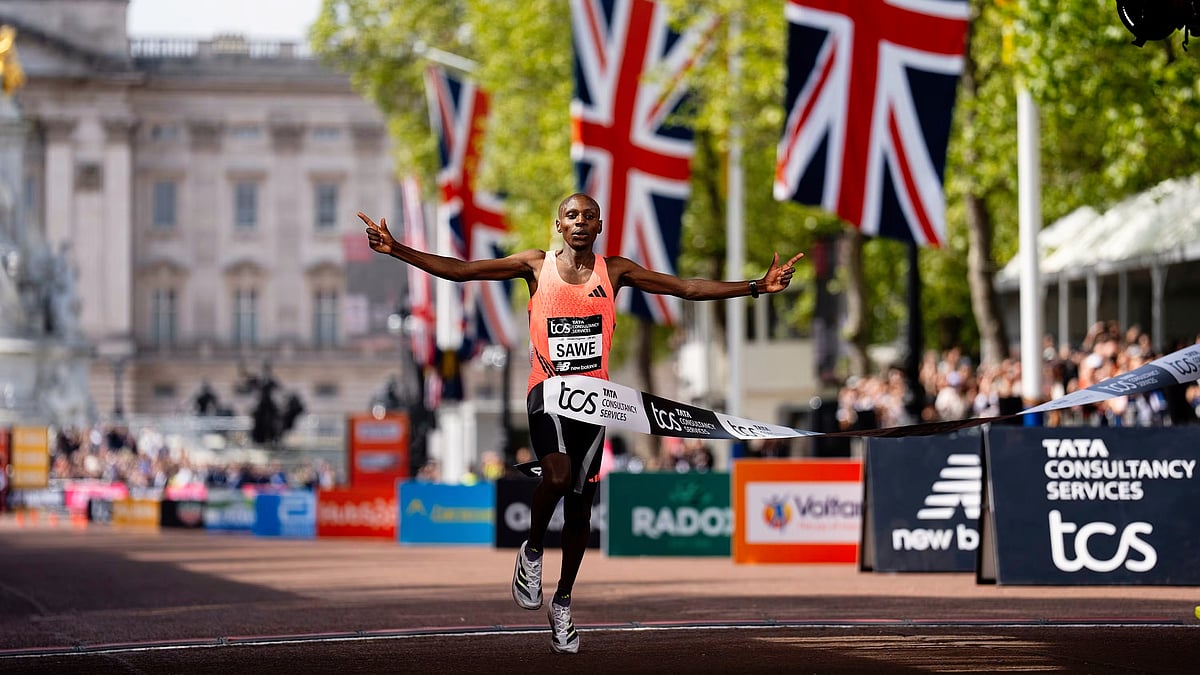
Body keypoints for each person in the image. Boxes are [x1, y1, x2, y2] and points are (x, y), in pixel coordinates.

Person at [359, 193, 802, 654]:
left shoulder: (617, 271)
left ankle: (564, 602)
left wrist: (755, 286)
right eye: (572, 216)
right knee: (558, 474)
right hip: (547, 393)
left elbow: (685, 288)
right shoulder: (535, 266)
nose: (580, 222)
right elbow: (463, 270)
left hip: (595, 404)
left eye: (589, 216)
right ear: (558, 225)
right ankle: (531, 552)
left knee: (580, 507)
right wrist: (398, 249)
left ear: (600, 225)